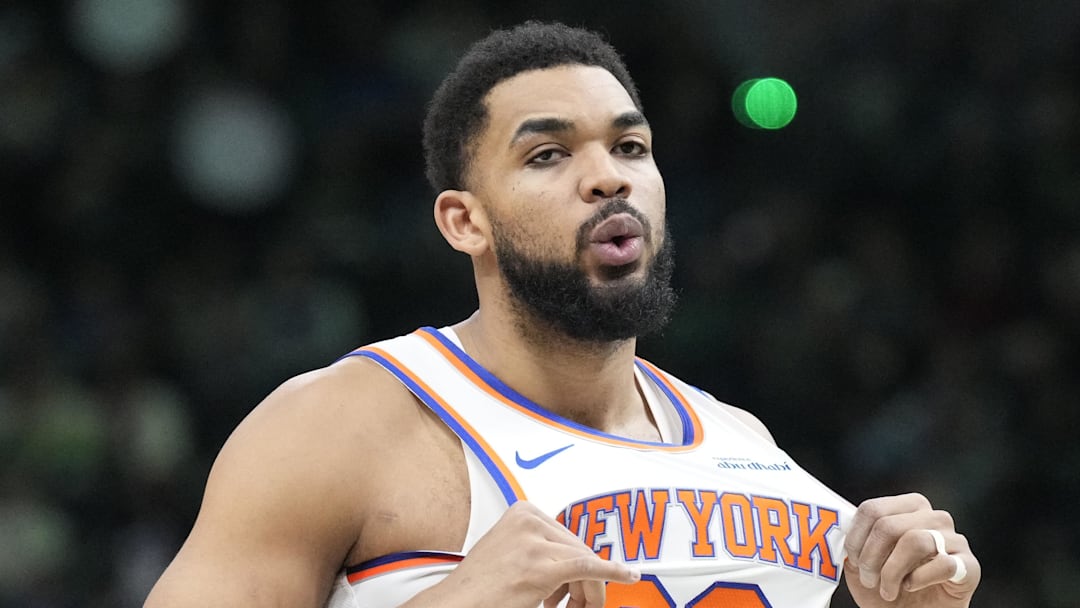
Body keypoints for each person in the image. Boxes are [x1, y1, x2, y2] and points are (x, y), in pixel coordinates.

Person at [145, 21, 980, 608]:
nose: (609, 178)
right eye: (548, 154)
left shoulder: (746, 447)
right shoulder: (339, 426)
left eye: (630, 147)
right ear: (463, 221)